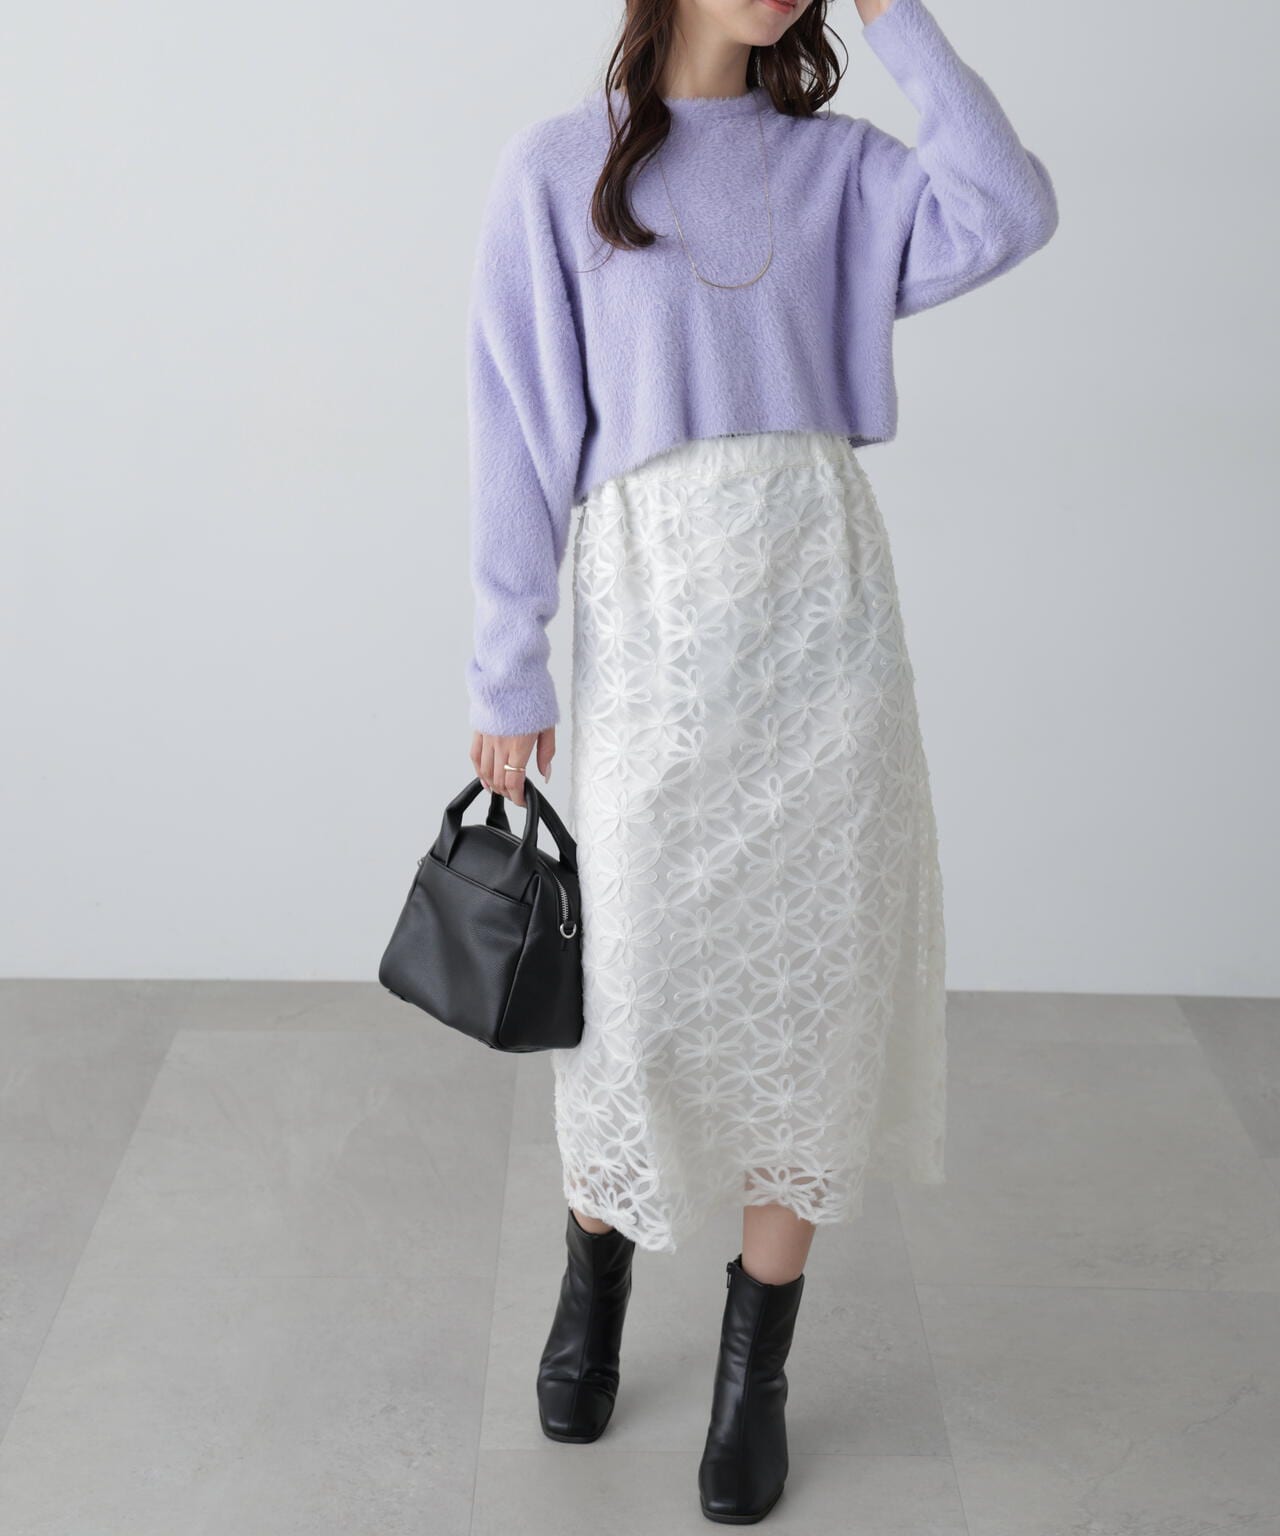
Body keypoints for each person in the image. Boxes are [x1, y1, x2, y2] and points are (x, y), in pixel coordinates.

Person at [463, 0, 1057, 1521]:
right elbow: (515, 432)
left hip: (825, 635)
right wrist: (506, 664)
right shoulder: (557, 171)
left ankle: (755, 1376)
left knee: (816, 996)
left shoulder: (841, 169)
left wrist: (897, 20)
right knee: (635, 996)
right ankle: (594, 1276)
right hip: (655, 633)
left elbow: (1009, 206)